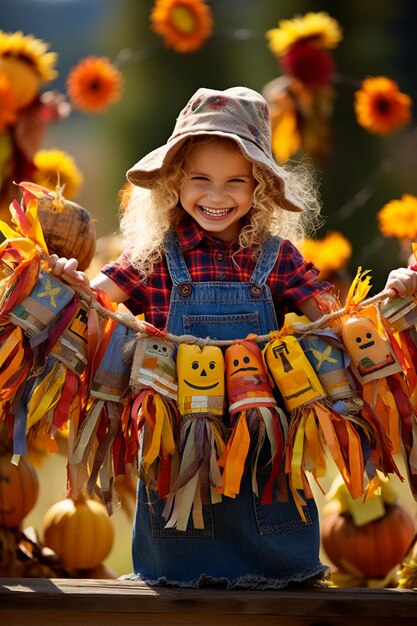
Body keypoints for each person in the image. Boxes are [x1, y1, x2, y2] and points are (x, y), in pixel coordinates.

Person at [48, 86, 417, 589]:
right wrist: (65, 275)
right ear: (174, 183)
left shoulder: (279, 259)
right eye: (200, 178)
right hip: (179, 458)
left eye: (235, 182)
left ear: (259, 187)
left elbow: (339, 325)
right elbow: (87, 298)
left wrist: (395, 293)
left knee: (277, 590)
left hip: (264, 449)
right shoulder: (153, 258)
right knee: (179, 594)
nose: (217, 196)